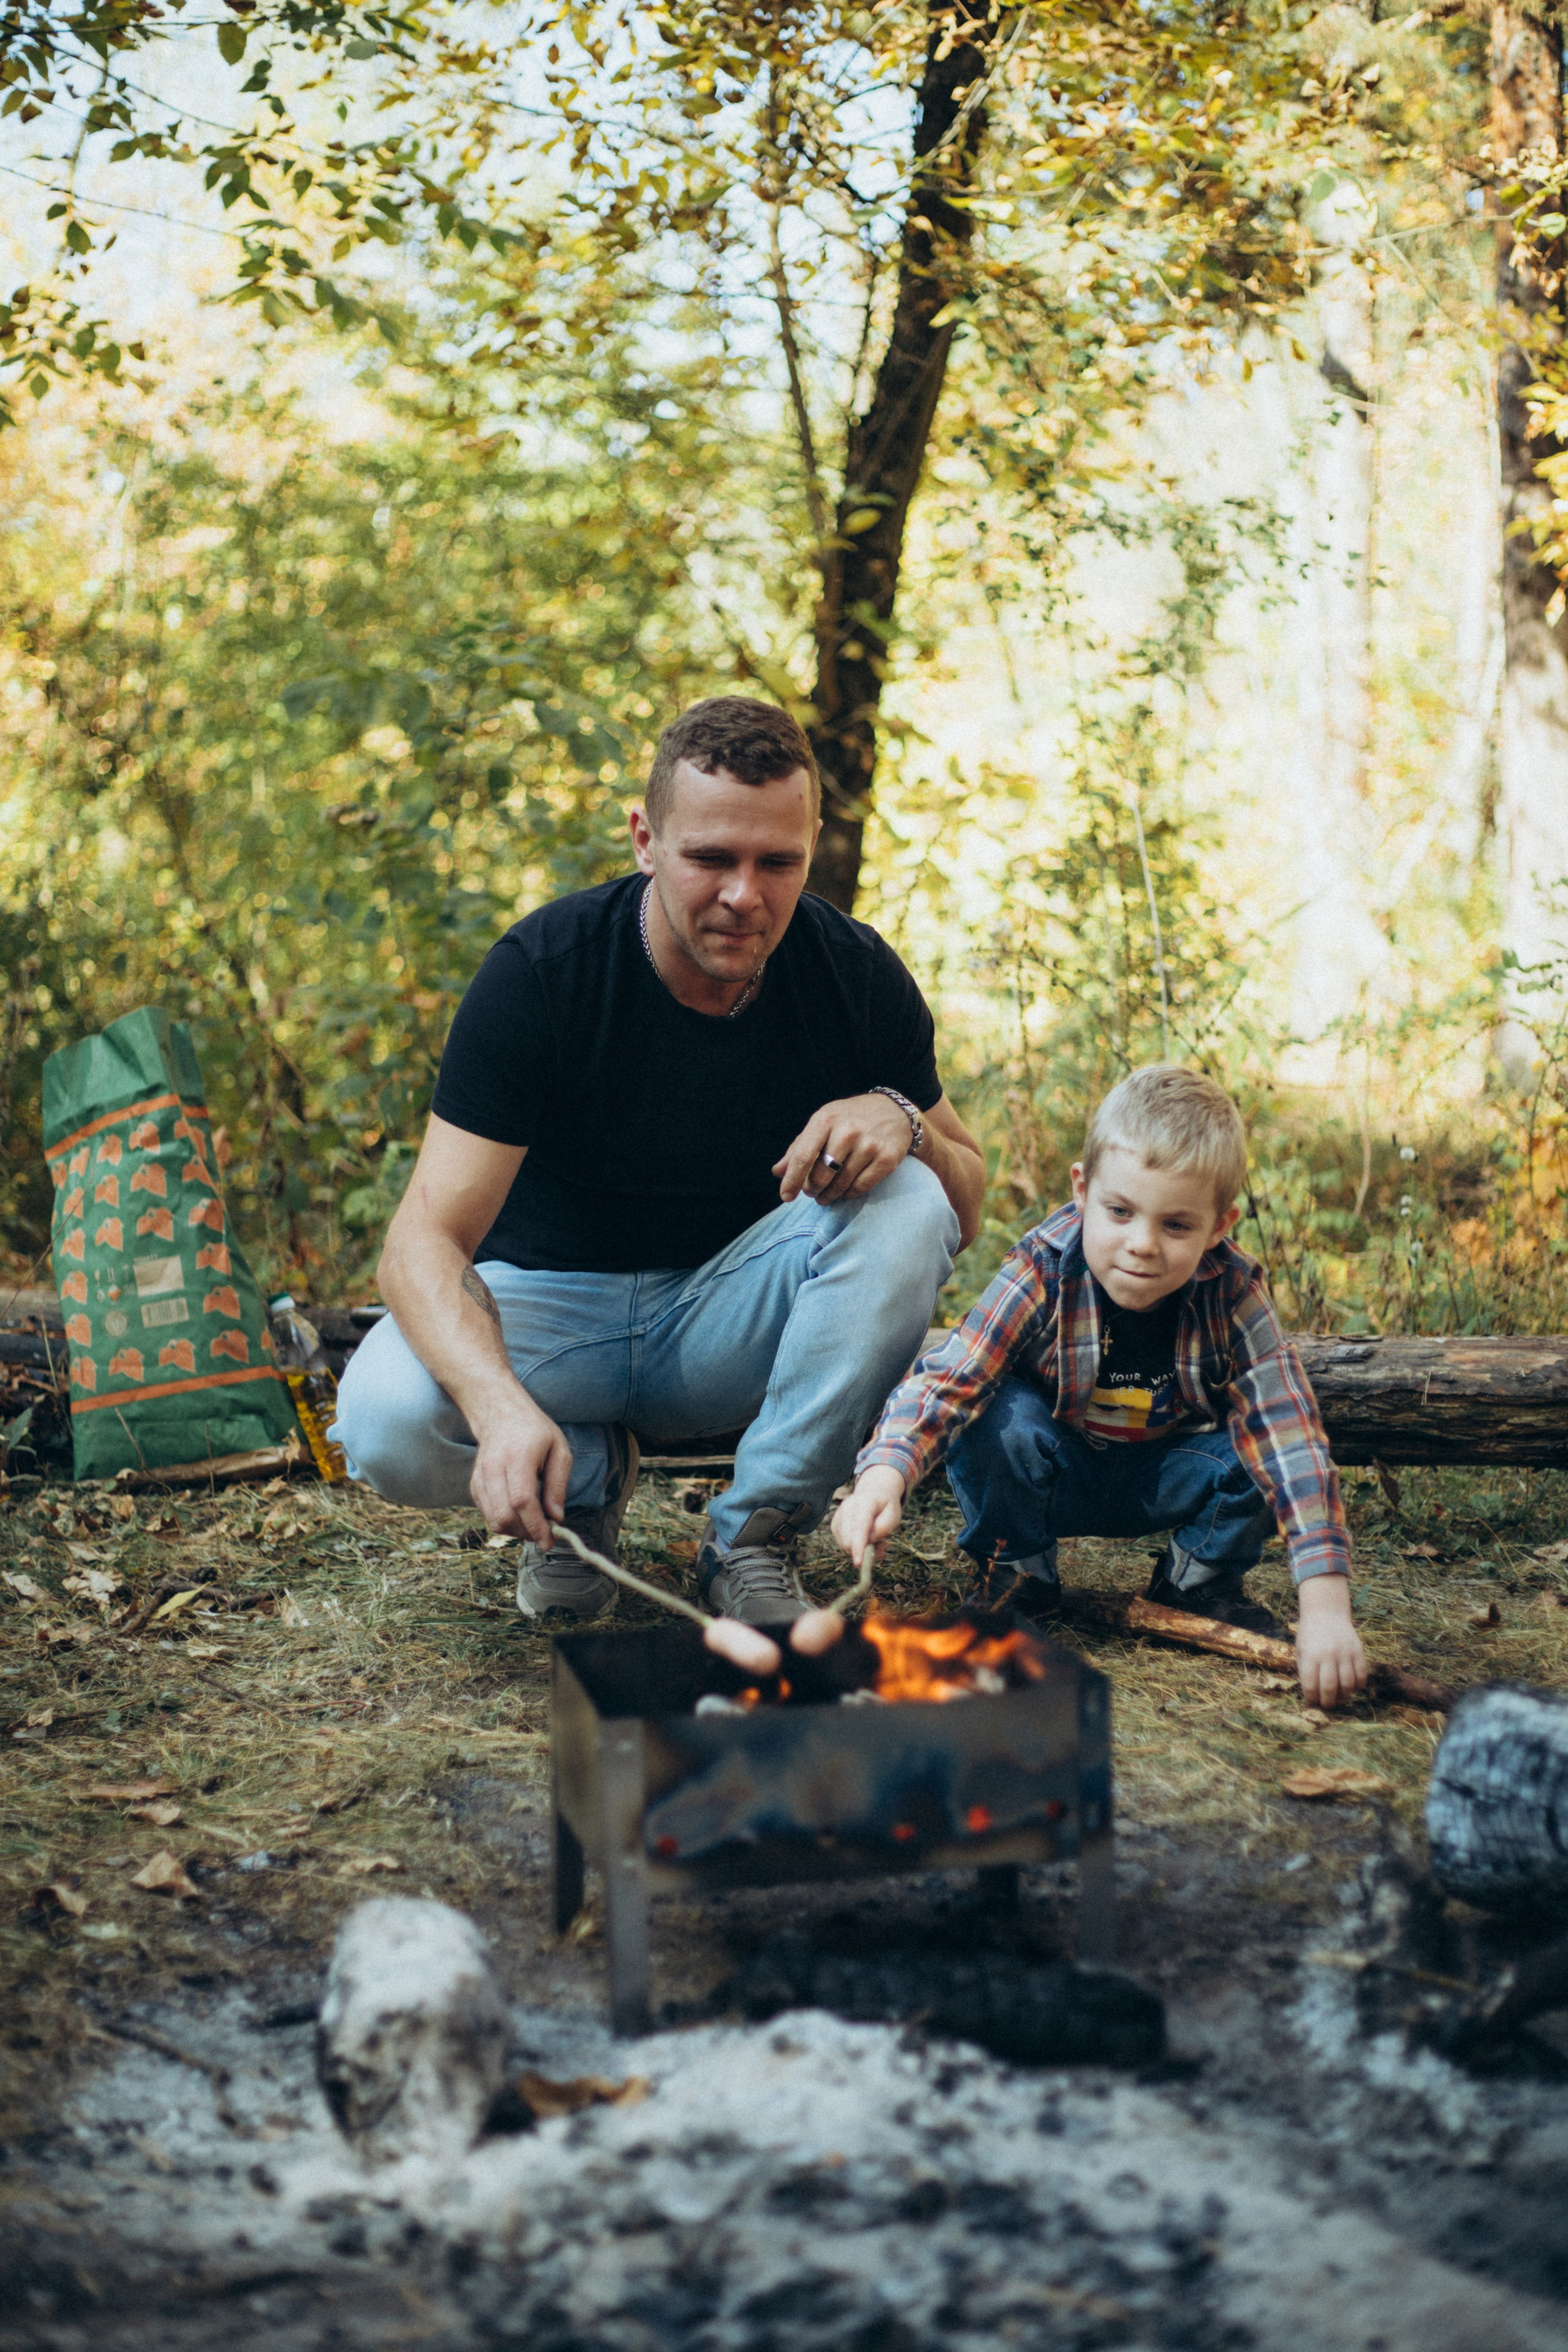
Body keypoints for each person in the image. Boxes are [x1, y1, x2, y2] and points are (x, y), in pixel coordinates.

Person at [333, 696, 986, 1630]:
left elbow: (961, 1199)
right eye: (711, 858)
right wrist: (504, 1410)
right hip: (558, 1322)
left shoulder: (853, 975)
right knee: (385, 1416)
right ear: (646, 838)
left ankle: (755, 1537)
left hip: (729, 1323)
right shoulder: (542, 973)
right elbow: (420, 1244)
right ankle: (587, 1481)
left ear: (812, 844)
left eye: (778, 863)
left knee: (912, 1199)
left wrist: (901, 1121)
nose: (744, 895)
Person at [832, 1065, 1368, 1708]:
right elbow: (952, 1377)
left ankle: (1197, 1580)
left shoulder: (1233, 1292)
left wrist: (1326, 1607)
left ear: (1219, 1226)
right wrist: (883, 1476)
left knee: (1260, 1450)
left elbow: (1290, 1434)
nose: (1141, 1245)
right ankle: (1017, 1574)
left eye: (1176, 1226)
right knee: (992, 1413)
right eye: (1120, 1211)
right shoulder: (1042, 1267)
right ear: (1083, 1192)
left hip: (1159, 1474)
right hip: (1050, 1469)